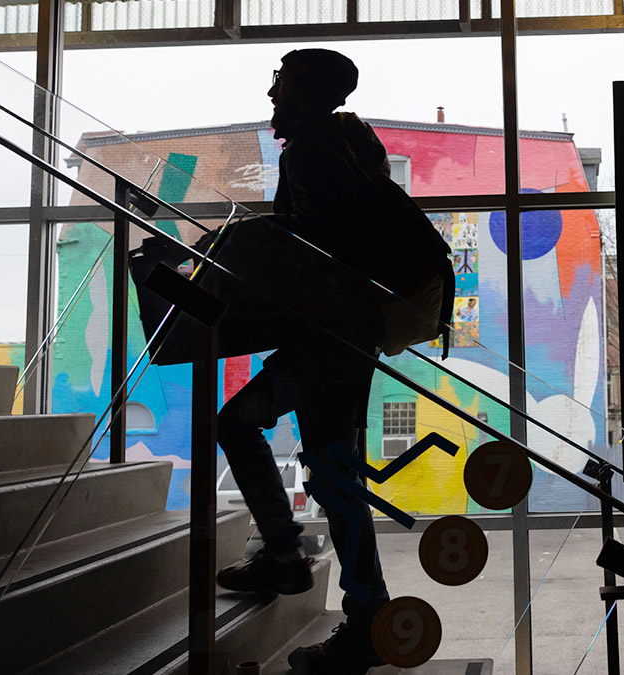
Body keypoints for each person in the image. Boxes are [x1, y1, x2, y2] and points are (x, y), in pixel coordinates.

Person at [212, 48, 390, 674]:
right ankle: (301, 569)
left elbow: (313, 253)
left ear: (307, 93)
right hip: (340, 341)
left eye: (280, 84)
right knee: (334, 473)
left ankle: (352, 609)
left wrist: (241, 254)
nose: (270, 95)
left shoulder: (314, 151)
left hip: (326, 346)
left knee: (329, 473)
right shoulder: (346, 146)